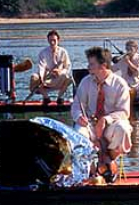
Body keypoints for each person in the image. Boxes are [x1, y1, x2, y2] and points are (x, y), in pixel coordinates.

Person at [71, 47, 132, 183]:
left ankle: (108, 161)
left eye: (92, 64)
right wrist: (79, 117)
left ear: (103, 66)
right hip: (90, 125)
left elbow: (124, 112)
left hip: (111, 125)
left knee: (123, 128)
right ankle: (92, 171)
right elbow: (76, 106)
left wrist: (106, 119)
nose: (88, 67)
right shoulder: (86, 82)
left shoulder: (120, 84)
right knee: (78, 133)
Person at [29, 30, 72, 106]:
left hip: (59, 78)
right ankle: (46, 98)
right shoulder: (43, 52)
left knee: (68, 78)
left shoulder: (63, 52)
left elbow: (67, 67)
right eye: (50, 40)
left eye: (54, 40)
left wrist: (60, 71)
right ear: (48, 41)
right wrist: (42, 78)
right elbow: (41, 66)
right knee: (34, 77)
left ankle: (60, 98)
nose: (52, 43)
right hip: (47, 78)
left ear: (58, 40)